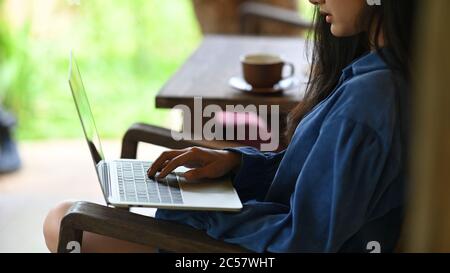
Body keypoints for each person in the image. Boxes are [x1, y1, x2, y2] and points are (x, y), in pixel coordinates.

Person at [43, 0, 417, 253]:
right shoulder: (369, 78)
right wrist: (236, 164)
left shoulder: (369, 100)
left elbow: (304, 241)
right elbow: (314, 181)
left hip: (243, 249)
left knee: (64, 220)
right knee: (67, 216)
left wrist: (200, 214)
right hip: (262, 230)